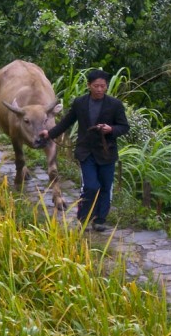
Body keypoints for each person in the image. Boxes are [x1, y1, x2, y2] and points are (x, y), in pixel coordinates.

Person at [38, 69, 129, 232]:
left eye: (103, 86)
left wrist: (111, 129)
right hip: (86, 152)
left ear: (106, 86)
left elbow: (124, 127)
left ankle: (100, 219)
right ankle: (84, 219)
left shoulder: (115, 105)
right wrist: (49, 134)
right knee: (91, 186)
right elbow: (66, 122)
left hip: (107, 152)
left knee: (106, 187)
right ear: (89, 86)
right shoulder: (80, 103)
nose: (100, 89)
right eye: (96, 86)